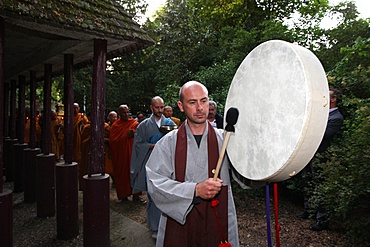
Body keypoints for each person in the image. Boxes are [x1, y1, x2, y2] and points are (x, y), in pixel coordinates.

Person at [145, 81, 239, 246]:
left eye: (203, 101)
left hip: (218, 214)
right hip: (179, 218)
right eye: (192, 102)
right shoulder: (168, 143)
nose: (200, 108)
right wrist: (194, 190)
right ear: (181, 106)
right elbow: (155, 183)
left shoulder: (225, 140)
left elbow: (245, 172)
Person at [130, 96, 176, 239]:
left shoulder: (169, 123)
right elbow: (138, 145)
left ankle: (168, 226)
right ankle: (155, 226)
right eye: (157, 107)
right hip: (149, 163)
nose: (160, 110)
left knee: (166, 193)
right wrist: (152, 146)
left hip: (166, 164)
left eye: (162, 107)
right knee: (153, 194)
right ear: (151, 107)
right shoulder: (143, 125)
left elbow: (175, 141)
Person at [300, 88, 344, 231]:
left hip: (322, 158)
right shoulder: (320, 114)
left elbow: (321, 135)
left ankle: (322, 220)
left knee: (320, 187)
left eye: (327, 95)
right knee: (307, 183)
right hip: (309, 154)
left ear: (333, 99)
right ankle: (309, 211)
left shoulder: (336, 118)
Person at [109, 105, 140, 202]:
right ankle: (124, 196)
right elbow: (113, 141)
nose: (126, 114)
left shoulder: (134, 123)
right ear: (119, 114)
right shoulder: (116, 126)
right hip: (121, 155)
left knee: (135, 173)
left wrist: (135, 134)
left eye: (127, 112)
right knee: (122, 174)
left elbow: (141, 137)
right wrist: (126, 136)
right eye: (124, 112)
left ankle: (136, 195)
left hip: (132, 153)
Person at [73, 103, 89, 190]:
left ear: (79, 108)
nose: (75, 110)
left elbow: (86, 128)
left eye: (76, 108)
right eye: (73, 108)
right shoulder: (69, 117)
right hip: (72, 140)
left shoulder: (82, 117)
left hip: (79, 139)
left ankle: (79, 170)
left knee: (79, 154)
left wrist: (81, 126)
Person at [104, 111, 117, 180]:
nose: (114, 118)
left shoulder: (118, 126)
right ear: (108, 118)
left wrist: (108, 140)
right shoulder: (106, 127)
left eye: (115, 117)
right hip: (107, 149)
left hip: (116, 149)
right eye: (112, 117)